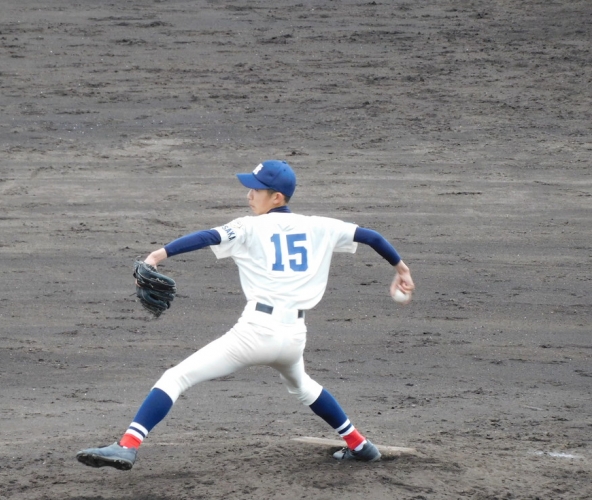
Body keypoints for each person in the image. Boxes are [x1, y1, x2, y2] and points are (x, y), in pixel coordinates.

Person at [76, 160, 415, 470]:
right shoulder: (320, 226)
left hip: (255, 333)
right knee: (302, 386)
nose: (249, 195)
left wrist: (157, 255)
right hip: (293, 338)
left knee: (176, 378)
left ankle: (128, 445)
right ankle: (360, 445)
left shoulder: (248, 227)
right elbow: (371, 237)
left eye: (257, 189)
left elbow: (207, 237)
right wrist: (401, 269)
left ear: (277, 197)